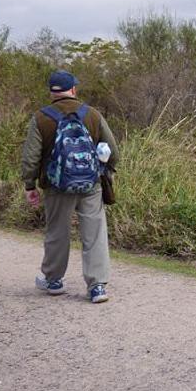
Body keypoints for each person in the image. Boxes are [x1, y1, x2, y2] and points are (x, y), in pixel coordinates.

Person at [21, 70, 120, 303]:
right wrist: (107, 171)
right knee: (94, 234)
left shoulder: (40, 118)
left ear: (51, 92)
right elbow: (113, 151)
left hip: (56, 186)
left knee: (57, 232)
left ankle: (54, 281)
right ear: (73, 89)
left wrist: (30, 185)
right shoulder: (92, 114)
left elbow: (31, 157)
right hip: (90, 184)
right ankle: (97, 287)